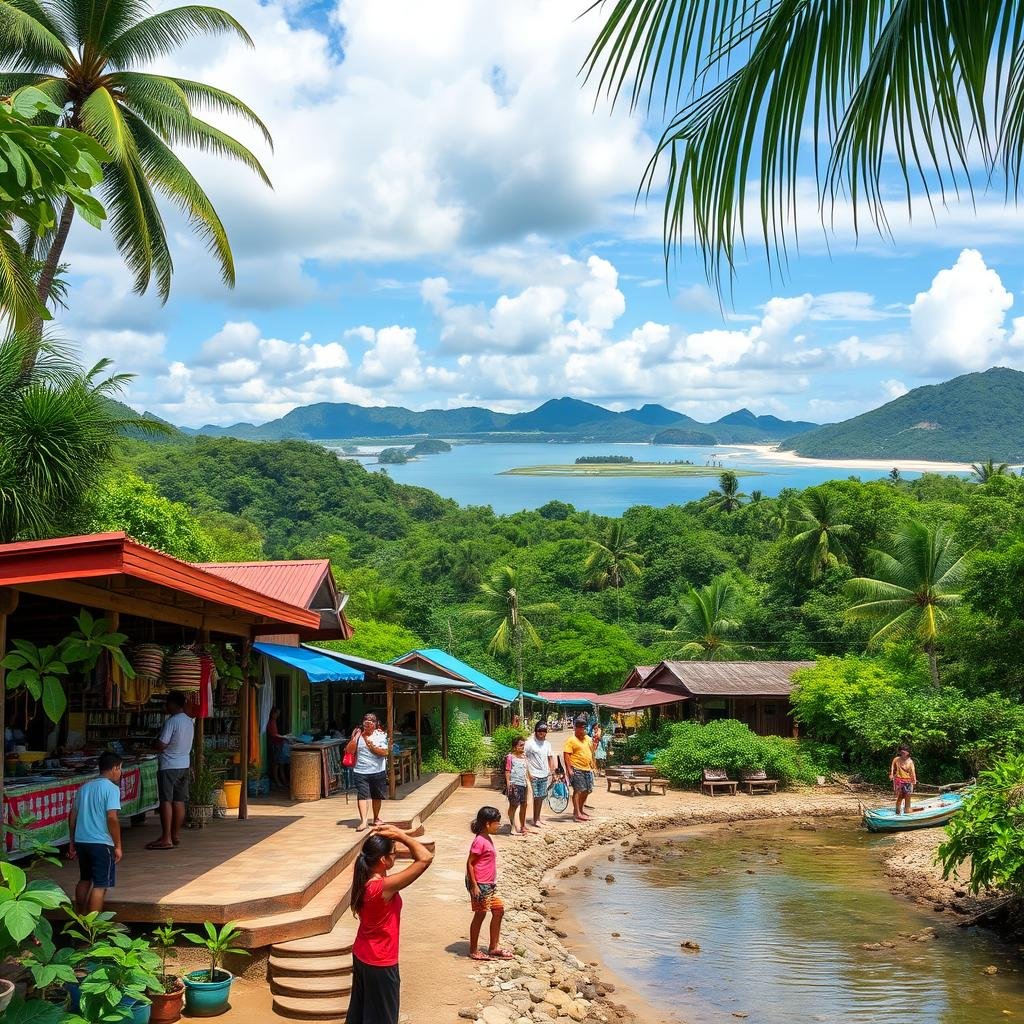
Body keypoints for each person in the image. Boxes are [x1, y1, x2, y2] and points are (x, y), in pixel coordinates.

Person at [349, 824, 434, 1024]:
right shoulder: (383, 888)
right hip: (380, 960)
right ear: (383, 860)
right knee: (383, 1018)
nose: (396, 856)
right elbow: (425, 857)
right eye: (393, 854)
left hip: (363, 954)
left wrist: (397, 836)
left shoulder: (365, 880)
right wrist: (401, 835)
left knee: (361, 1014)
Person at [68, 751, 123, 913]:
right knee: (100, 885)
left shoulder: (84, 788)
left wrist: (72, 842)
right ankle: (92, 927)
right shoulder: (112, 789)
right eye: (120, 769)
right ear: (114, 768)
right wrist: (118, 845)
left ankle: (80, 916)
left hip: (82, 841)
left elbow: (72, 817)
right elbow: (112, 818)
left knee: (84, 879)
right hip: (102, 843)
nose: (120, 772)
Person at [147, 691, 194, 851]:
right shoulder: (189, 721)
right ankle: (175, 835)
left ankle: (166, 837)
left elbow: (162, 744)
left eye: (168, 703)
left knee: (166, 801)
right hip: (184, 764)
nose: (166, 706)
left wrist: (154, 744)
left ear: (173, 704)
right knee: (179, 801)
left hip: (169, 765)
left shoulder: (172, 721)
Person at [466, 806, 513, 961]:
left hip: (489, 884)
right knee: (480, 915)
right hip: (480, 884)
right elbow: (470, 863)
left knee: (498, 910)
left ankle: (493, 947)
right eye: (496, 823)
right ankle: (473, 950)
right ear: (487, 824)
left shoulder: (487, 837)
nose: (499, 825)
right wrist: (474, 885)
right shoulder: (480, 841)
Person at [347, 712, 391, 832]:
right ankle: (364, 821)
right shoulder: (358, 734)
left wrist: (371, 746)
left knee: (377, 796)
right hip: (360, 771)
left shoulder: (380, 735)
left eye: (371, 720)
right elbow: (349, 751)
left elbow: (385, 752)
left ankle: (376, 818)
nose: (368, 722)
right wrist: (356, 737)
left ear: (376, 723)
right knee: (362, 795)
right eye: (366, 720)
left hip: (378, 770)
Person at [564, 716, 597, 822]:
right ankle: (576, 813)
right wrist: (569, 769)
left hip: (587, 768)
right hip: (576, 768)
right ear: (576, 728)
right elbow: (566, 755)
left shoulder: (587, 738)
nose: (583, 730)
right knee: (578, 790)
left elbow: (592, 750)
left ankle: (581, 810)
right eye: (581, 728)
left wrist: (593, 764)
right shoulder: (571, 740)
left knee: (587, 790)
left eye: (584, 728)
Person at [524, 721, 556, 828]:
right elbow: (523, 758)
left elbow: (550, 758)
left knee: (541, 797)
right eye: (540, 731)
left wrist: (552, 773)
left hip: (544, 775)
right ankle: (531, 820)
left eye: (544, 731)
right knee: (534, 797)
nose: (542, 733)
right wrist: (527, 774)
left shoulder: (547, 744)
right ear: (536, 731)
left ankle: (537, 818)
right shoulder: (529, 743)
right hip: (533, 774)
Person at [504, 737, 530, 836]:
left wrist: (529, 782)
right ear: (515, 747)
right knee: (514, 806)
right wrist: (508, 783)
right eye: (521, 745)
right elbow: (507, 770)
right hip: (514, 785)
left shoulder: (524, 757)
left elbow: (526, 771)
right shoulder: (510, 757)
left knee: (523, 804)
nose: (523, 747)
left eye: (524, 745)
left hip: (523, 784)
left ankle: (521, 826)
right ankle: (512, 828)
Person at [890, 744, 917, 815]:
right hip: (899, 781)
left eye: (904, 752)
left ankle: (907, 811)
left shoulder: (910, 762)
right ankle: (897, 811)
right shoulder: (896, 759)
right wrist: (891, 774)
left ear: (907, 753)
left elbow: (913, 772)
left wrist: (914, 781)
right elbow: (893, 766)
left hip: (908, 781)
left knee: (907, 796)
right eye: (901, 752)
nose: (902, 754)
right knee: (900, 796)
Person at [267, 706, 288, 790]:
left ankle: (283, 780)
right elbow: (274, 735)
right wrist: (284, 737)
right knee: (277, 764)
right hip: (275, 745)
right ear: (273, 714)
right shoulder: (271, 722)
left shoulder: (274, 722)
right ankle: (277, 781)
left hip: (278, 744)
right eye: (277, 713)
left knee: (281, 763)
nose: (278, 715)